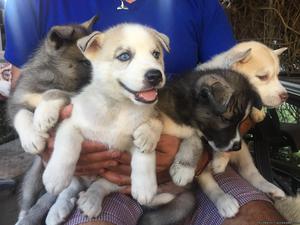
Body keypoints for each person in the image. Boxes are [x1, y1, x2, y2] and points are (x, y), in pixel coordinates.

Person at [4, 0, 286, 225]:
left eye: (155, 54)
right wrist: (52, 146)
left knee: (255, 218)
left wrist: (198, 156)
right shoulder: (31, 3)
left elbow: (240, 98)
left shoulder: (200, 4)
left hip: (196, 162)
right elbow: (24, 94)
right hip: (96, 169)